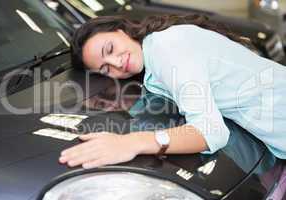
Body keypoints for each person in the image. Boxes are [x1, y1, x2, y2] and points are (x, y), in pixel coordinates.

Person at [59, 14, 286, 170]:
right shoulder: (159, 47)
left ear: (121, 30)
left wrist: (132, 142)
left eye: (110, 49)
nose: (116, 64)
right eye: (105, 69)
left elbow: (211, 132)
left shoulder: (167, 48)